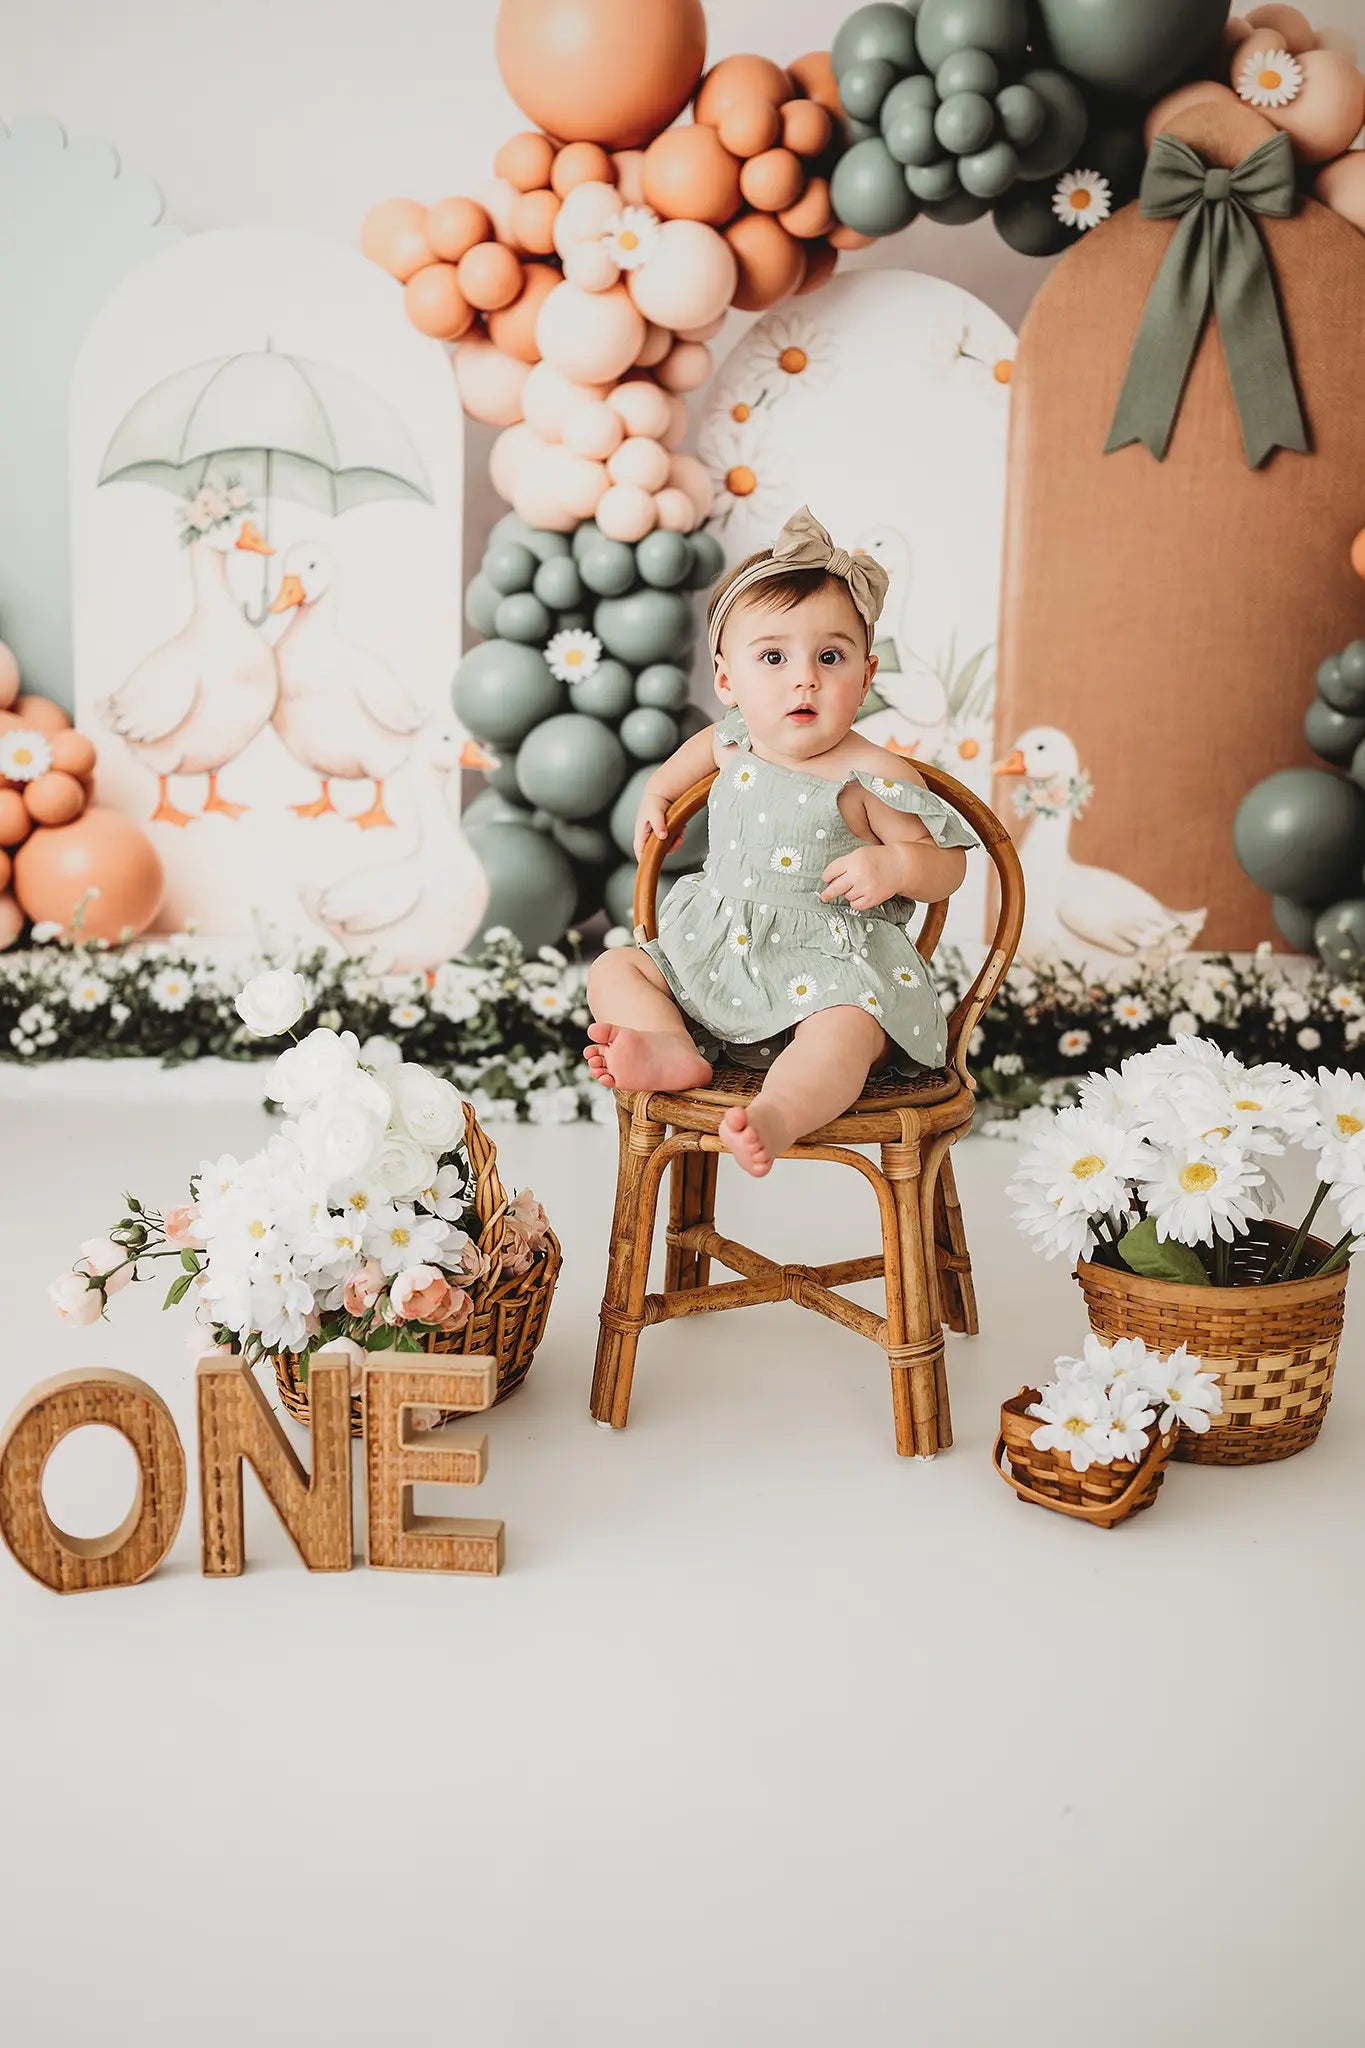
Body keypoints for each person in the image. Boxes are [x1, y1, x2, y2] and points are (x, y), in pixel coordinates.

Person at [585, 506, 980, 1178]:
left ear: (865, 675)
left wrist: (897, 863)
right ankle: (669, 1044)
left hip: (827, 967)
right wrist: (657, 795)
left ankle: (779, 1111)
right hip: (716, 952)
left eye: (829, 657)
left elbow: (947, 872)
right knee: (614, 969)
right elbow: (686, 760)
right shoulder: (732, 738)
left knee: (844, 1035)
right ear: (725, 680)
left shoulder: (874, 774)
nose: (805, 678)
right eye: (773, 656)